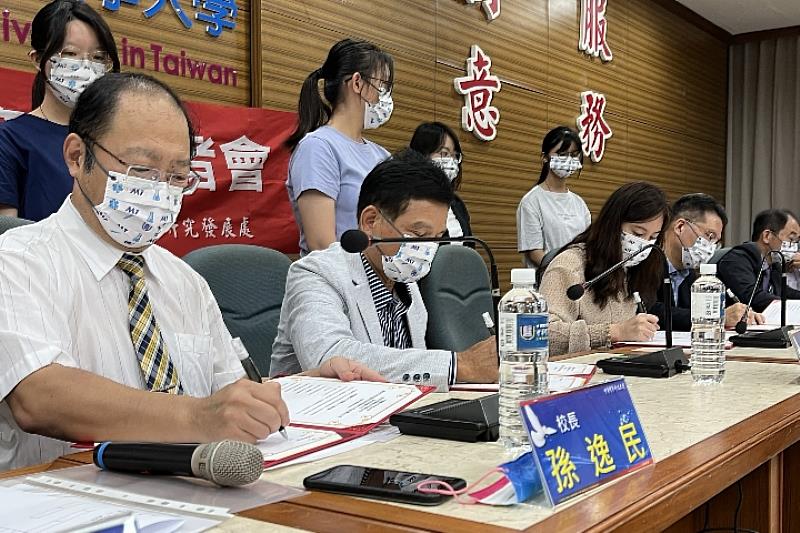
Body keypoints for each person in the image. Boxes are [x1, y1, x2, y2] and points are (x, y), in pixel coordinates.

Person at [0, 73, 383, 472]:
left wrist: (302, 388)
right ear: (77, 157)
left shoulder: (185, 281)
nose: (161, 191)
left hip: (193, 497)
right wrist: (195, 417)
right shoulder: (16, 261)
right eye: (143, 170)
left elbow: (226, 395)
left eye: (178, 177)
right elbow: (37, 395)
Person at [270, 151, 498, 389]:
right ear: (370, 221)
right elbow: (331, 357)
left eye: (437, 238)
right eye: (419, 235)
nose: (427, 249)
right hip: (316, 419)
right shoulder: (315, 273)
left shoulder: (409, 285)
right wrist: (459, 365)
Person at [0, 0, 120, 221]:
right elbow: (7, 233)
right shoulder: (9, 139)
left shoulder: (112, 139)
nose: (85, 67)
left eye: (98, 58)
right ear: (38, 59)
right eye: (71, 54)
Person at [285, 38, 394, 256]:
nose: (385, 97)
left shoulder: (383, 155)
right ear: (357, 83)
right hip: (335, 283)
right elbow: (322, 245)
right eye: (382, 86)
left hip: (382, 280)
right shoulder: (317, 148)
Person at [540, 182, 668, 356]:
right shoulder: (569, 265)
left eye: (652, 237)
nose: (643, 244)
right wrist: (614, 332)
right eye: (638, 234)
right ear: (613, 224)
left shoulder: (630, 268)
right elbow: (543, 334)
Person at [649, 194, 763, 330]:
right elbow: (651, 310)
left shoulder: (690, 273)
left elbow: (686, 314)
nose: (711, 247)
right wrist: (716, 317)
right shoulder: (647, 259)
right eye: (709, 236)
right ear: (680, 227)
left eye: (716, 241)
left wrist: (737, 315)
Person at [517, 126, 591, 269]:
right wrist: (562, 271)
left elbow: (588, 244)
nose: (568, 159)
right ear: (545, 157)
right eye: (562, 154)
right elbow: (534, 252)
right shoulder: (531, 201)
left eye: (573, 154)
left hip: (579, 277)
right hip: (548, 279)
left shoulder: (579, 203)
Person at [717, 209, 800, 313]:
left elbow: (786, 293)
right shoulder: (737, 259)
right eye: (791, 239)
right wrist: (787, 306)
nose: (794, 246)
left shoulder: (773, 265)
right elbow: (752, 296)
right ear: (767, 236)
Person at [409, 121, 472, 243]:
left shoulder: (457, 204)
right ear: (422, 155)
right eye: (444, 153)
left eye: (455, 155)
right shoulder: (408, 200)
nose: (451, 161)